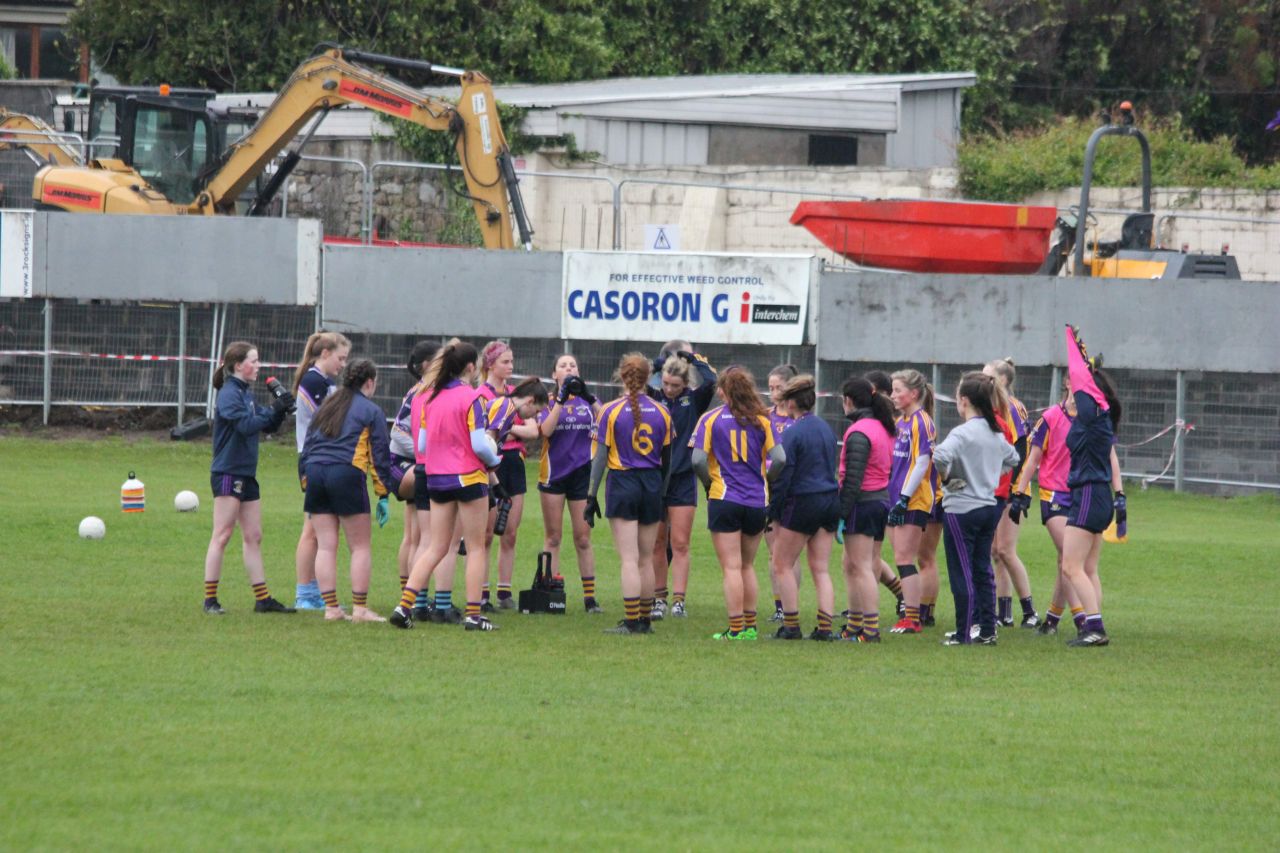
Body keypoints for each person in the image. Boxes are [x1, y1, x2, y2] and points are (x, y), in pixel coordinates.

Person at [392, 340, 504, 631]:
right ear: (470, 367)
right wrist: (495, 456)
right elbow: (480, 444)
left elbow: (422, 443)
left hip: (436, 479)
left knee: (435, 547)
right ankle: (473, 616)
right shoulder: (472, 398)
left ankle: (404, 608)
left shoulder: (430, 397)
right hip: (468, 477)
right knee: (476, 547)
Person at [692, 367, 786, 640]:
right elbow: (780, 458)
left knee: (731, 567)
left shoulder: (711, 419)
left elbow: (697, 460)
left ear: (724, 391)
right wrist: (765, 481)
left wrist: (710, 485)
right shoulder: (762, 420)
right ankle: (750, 627)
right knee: (747, 566)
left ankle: (735, 629)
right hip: (757, 502)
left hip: (725, 498)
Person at [202, 341, 295, 615]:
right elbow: (245, 426)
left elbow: (263, 424)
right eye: (253, 361)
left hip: (246, 473)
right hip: (229, 471)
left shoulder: (245, 393)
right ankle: (210, 600)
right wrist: (273, 410)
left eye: (257, 360)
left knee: (253, 535)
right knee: (222, 534)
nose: (258, 366)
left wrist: (279, 411)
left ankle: (262, 599)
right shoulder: (230, 393)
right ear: (237, 365)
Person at [585, 354, 673, 635]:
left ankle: (632, 620)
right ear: (649, 378)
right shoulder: (662, 412)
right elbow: (668, 460)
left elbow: (599, 459)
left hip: (623, 483)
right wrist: (662, 491)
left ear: (622, 377)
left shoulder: (609, 411)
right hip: (652, 484)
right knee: (646, 557)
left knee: (629, 559)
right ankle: (645, 620)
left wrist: (590, 496)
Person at [301, 359, 394, 623]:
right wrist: (383, 493)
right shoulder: (371, 410)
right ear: (369, 382)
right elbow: (379, 455)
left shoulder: (327, 406)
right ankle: (360, 610)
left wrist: (305, 481)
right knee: (360, 546)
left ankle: (331, 609)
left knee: (326, 546)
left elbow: (308, 446)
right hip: (346, 474)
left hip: (316, 473)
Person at [932, 372, 1020, 645]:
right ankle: (987, 629)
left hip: (961, 509)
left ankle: (963, 633)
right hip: (987, 506)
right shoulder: (995, 431)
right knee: (982, 568)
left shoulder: (963, 432)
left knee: (961, 571)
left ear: (964, 401)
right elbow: (1014, 458)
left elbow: (940, 456)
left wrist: (949, 479)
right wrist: (991, 475)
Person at [1055, 325, 1125, 647]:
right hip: (1098, 496)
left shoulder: (1093, 417)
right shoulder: (1099, 419)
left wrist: (1080, 365)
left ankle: (1093, 629)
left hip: (1087, 495)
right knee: (1088, 567)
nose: (1073, 391)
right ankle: (1094, 624)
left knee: (1070, 566)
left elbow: (1084, 388)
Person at [766, 375, 841, 640]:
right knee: (820, 568)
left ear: (790, 403)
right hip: (830, 500)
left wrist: (773, 509)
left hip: (802, 502)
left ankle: (791, 625)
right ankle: (824, 628)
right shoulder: (826, 429)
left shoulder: (792, 432)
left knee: (782, 564)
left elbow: (785, 474)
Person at [647, 340, 717, 620]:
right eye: (665, 383)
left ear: (684, 384)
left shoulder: (693, 400)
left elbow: (712, 379)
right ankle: (659, 598)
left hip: (683, 479)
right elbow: (638, 378)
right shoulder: (655, 396)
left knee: (680, 543)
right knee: (656, 543)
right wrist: (658, 362)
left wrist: (693, 357)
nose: (669, 389)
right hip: (656, 478)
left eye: (675, 385)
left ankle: (679, 600)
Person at [1010, 383, 1087, 635]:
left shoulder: (1091, 418)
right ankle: (1082, 620)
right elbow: (1032, 459)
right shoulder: (1051, 417)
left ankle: (1052, 620)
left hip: (1080, 493)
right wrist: (1019, 491)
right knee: (1069, 556)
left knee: (1065, 561)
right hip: (1053, 493)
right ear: (1067, 384)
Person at [477, 341, 542, 611]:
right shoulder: (481, 394)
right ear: (490, 364)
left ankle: (504, 592)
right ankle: (482, 592)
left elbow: (534, 431)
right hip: (491, 463)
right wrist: (510, 427)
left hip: (513, 462)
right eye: (505, 362)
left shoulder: (518, 394)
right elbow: (481, 432)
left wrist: (507, 429)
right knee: (486, 533)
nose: (511, 367)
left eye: (512, 362)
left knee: (510, 531)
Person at [537, 353, 603, 613]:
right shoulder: (549, 401)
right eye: (563, 366)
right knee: (553, 537)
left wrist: (587, 397)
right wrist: (561, 401)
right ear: (555, 374)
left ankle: (590, 598)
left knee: (583, 538)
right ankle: (551, 592)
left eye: (573, 365)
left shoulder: (590, 400)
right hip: (554, 474)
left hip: (581, 474)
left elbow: (609, 421)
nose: (568, 368)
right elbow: (546, 430)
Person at [290, 331, 350, 610]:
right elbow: (325, 422)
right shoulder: (314, 381)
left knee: (314, 528)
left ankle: (310, 590)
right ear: (325, 353)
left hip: (318, 458)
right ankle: (305, 593)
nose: (343, 364)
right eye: (340, 358)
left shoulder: (324, 381)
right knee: (312, 530)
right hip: (313, 457)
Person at [835, 377, 895, 643]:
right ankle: (854, 624)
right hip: (879, 500)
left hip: (863, 502)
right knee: (853, 565)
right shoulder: (882, 426)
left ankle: (870, 630)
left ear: (848, 401)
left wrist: (841, 512)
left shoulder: (860, 431)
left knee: (861, 567)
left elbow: (853, 478)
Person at [984, 357, 1038, 627]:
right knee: (996, 551)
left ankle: (1029, 610)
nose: (984, 382)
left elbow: (1020, 450)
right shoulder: (991, 408)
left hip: (1012, 489)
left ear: (1003, 380)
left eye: (988, 377)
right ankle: (1003, 612)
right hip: (998, 487)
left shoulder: (1011, 407)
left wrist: (1015, 490)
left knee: (1005, 549)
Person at [886, 369, 937, 634]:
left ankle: (912, 619)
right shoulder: (901, 421)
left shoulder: (921, 421)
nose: (893, 395)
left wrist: (905, 498)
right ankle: (910, 615)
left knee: (906, 558)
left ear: (914, 393)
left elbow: (922, 462)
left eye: (898, 390)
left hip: (913, 499)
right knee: (901, 557)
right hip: (897, 498)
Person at [388, 342, 436, 597]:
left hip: (412, 464)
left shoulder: (429, 390)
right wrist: (426, 457)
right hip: (401, 464)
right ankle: (416, 598)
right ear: (428, 365)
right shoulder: (420, 392)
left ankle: (409, 594)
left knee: (412, 535)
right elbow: (397, 431)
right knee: (421, 537)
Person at [864, 370, 906, 615]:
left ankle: (865, 612)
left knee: (871, 556)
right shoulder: (879, 423)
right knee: (865, 557)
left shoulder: (890, 425)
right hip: (880, 495)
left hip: (881, 496)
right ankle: (901, 595)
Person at [764, 362, 800, 622]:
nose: (774, 392)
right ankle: (780, 607)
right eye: (771, 387)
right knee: (772, 551)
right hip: (768, 488)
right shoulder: (765, 416)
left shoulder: (799, 418)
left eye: (779, 387)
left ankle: (790, 605)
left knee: (788, 553)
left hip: (792, 489)